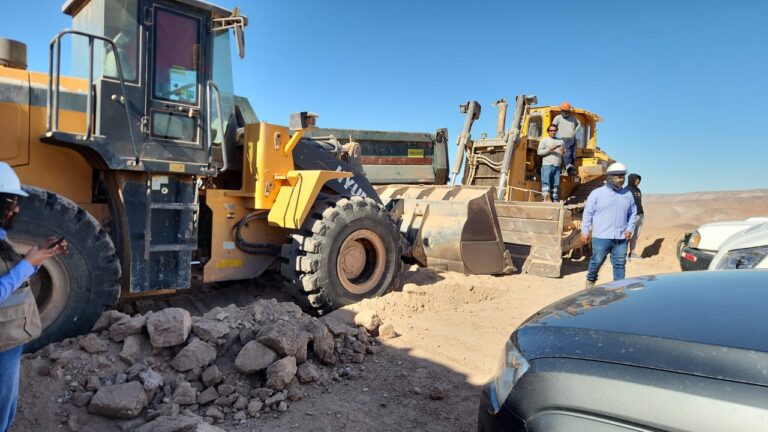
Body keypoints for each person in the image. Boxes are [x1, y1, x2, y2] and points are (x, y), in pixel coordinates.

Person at [0, 162, 67, 432]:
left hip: (8, 342)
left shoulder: (2, 237)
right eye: (11, 202)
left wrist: (40, 256)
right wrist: (29, 262)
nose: (16, 208)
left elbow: (12, 279)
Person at [581, 162, 637, 289]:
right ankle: (590, 282)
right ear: (609, 177)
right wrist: (585, 231)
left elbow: (633, 213)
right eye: (618, 177)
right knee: (597, 261)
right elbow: (588, 213)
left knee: (620, 264)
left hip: (621, 238)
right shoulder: (596, 194)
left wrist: (629, 229)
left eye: (622, 176)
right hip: (601, 237)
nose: (621, 179)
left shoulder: (628, 194)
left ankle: (619, 288)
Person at [552, 102, 581, 176]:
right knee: (566, 155)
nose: (564, 112)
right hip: (563, 139)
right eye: (563, 110)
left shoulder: (573, 118)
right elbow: (553, 127)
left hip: (572, 139)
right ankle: (566, 171)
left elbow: (579, 124)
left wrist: (575, 131)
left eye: (566, 111)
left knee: (573, 156)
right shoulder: (558, 118)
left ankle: (571, 170)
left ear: (568, 111)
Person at [537, 124, 564, 202]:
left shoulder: (561, 141)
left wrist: (563, 152)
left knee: (555, 184)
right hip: (547, 165)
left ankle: (554, 200)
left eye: (555, 130)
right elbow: (539, 152)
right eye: (551, 130)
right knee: (546, 182)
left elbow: (562, 154)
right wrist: (549, 149)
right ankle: (545, 199)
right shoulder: (544, 140)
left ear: (557, 131)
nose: (553, 132)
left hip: (557, 165)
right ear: (548, 131)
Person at [627, 173, 644, 260]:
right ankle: (623, 254)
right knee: (628, 234)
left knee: (636, 235)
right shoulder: (626, 190)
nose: (638, 181)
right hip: (631, 216)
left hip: (640, 214)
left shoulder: (638, 190)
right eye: (636, 179)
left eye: (638, 179)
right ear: (631, 179)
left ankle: (632, 252)